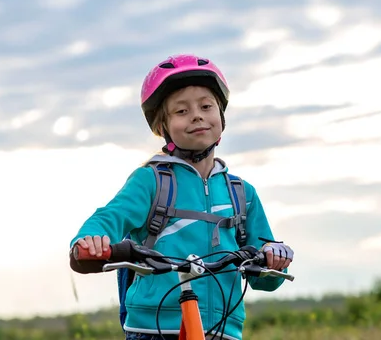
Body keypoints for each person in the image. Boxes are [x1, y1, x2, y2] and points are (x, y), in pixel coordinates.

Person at [69, 54, 294, 340]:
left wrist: (274, 258)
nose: (197, 115)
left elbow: (265, 276)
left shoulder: (241, 193)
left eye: (205, 106)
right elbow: (110, 217)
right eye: (181, 111)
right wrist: (91, 239)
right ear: (164, 128)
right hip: (155, 328)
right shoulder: (152, 180)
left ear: (221, 116)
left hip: (223, 329)